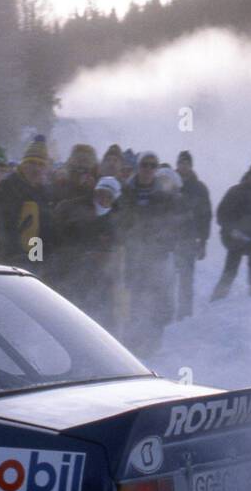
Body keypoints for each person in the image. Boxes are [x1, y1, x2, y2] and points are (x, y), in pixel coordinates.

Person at [116, 150, 181, 352]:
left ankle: (154, 342)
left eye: (153, 166)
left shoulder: (164, 194)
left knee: (158, 298)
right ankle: (131, 344)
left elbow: (173, 223)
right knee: (134, 298)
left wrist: (165, 243)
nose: (148, 170)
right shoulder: (126, 191)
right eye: (145, 165)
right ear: (138, 167)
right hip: (133, 255)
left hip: (157, 255)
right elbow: (118, 220)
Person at [53, 175, 123, 327]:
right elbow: (46, 238)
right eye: (100, 193)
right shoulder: (73, 209)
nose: (103, 198)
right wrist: (35, 259)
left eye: (108, 196)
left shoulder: (114, 221)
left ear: (114, 199)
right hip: (68, 275)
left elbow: (115, 257)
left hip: (97, 281)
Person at [212, 163, 251, 300]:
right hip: (234, 237)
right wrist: (232, 229)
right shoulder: (236, 192)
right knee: (231, 269)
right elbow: (220, 215)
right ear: (249, 176)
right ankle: (218, 297)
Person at [0, 134, 55, 267]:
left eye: (41, 164)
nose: (36, 168)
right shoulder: (10, 186)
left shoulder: (44, 193)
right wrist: (14, 254)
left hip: (33, 257)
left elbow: (43, 230)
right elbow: (5, 224)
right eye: (31, 163)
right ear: (23, 165)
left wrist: (37, 258)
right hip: (11, 258)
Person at [173, 150, 212, 319]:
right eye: (181, 163)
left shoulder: (199, 188)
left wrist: (203, 241)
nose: (183, 166)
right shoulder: (170, 183)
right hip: (169, 238)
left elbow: (206, 216)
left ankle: (184, 313)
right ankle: (164, 312)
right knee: (166, 277)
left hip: (189, 238)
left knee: (186, 279)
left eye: (186, 163)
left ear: (191, 165)